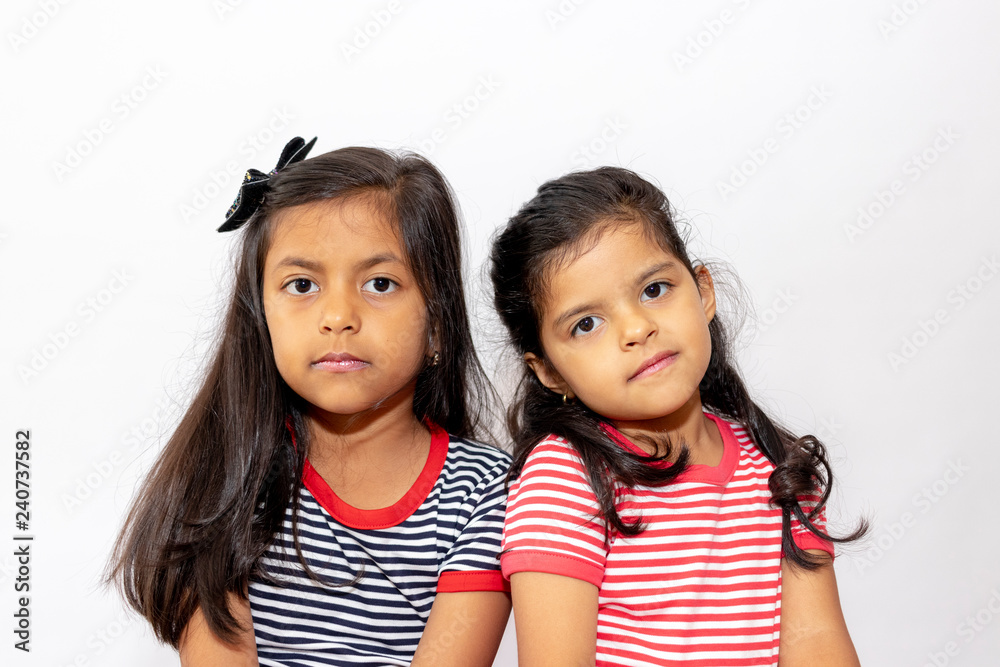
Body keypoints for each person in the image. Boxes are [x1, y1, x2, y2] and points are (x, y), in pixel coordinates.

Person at [108, 138, 512, 666]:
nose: (338, 315)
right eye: (302, 284)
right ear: (261, 320)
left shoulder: (484, 491)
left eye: (380, 283)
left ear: (437, 322)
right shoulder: (229, 475)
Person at [490, 166, 866, 666]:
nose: (637, 328)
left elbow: (820, 650)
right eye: (587, 323)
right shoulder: (566, 476)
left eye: (654, 290)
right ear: (550, 372)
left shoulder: (779, 469)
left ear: (703, 291)